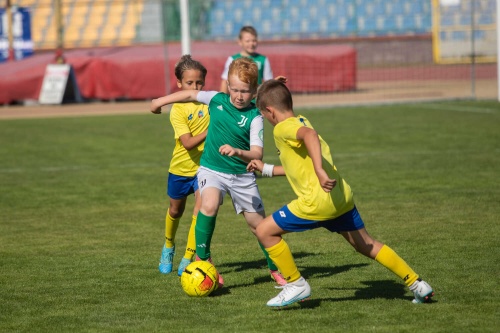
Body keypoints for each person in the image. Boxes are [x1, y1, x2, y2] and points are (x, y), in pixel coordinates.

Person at [247, 79, 435, 307]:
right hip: (339, 197)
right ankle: (417, 284)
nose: (266, 120)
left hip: (317, 202)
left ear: (270, 111)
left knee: (265, 231)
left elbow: (310, 136)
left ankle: (295, 284)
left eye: (264, 115)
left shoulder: (283, 127)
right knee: (366, 244)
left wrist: (318, 170)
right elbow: (298, 166)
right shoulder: (300, 118)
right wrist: (266, 170)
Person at [151, 57, 286, 287]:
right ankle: (203, 260)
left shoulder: (255, 116)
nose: (238, 96)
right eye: (234, 89)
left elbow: (257, 154)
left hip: (242, 176)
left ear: (253, 92)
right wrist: (159, 102)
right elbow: (189, 95)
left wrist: (237, 151)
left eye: (244, 91)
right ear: (228, 86)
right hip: (211, 170)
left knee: (259, 226)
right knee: (209, 204)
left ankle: (276, 270)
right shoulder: (217, 99)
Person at [156, 55, 210, 276]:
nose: (195, 87)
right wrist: (211, 132)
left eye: (199, 83)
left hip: (204, 169)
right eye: (190, 83)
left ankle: (188, 256)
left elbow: (239, 97)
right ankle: (169, 246)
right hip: (179, 169)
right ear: (180, 84)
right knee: (175, 210)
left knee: (200, 209)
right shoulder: (177, 110)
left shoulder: (210, 103)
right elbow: (187, 143)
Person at [219, 26, 273, 94]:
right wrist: (222, 100)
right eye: (247, 41)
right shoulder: (232, 59)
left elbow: (268, 82)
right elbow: (225, 81)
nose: (251, 44)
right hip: (237, 100)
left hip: (255, 100)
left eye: (254, 40)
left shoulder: (263, 60)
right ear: (240, 42)